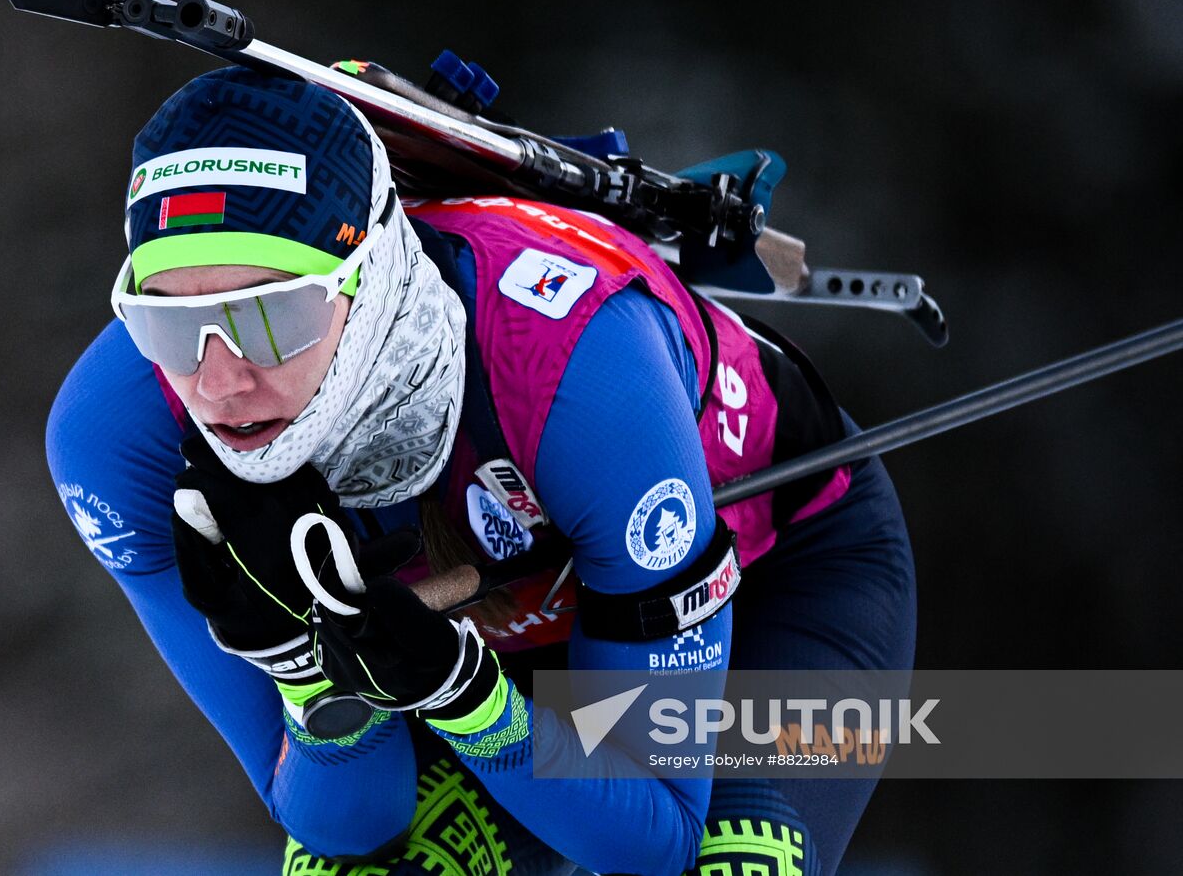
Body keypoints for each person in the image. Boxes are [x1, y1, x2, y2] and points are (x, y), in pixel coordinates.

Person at [46, 65, 917, 875]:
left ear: (372, 276)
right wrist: (303, 666)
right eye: (167, 324)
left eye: (273, 317)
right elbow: (351, 829)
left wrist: (464, 695)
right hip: (484, 640)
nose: (222, 380)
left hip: (772, 582)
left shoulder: (580, 371)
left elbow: (656, 835)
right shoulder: (117, 441)